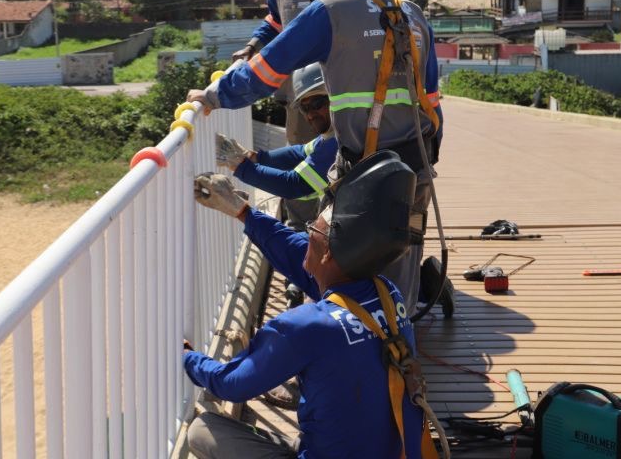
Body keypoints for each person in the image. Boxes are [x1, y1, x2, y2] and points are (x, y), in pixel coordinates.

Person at [188, 0, 444, 316]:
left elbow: (266, 71)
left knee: (342, 274)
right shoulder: (411, 11)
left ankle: (363, 359)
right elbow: (431, 102)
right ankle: (400, 358)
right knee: (400, 275)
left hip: (366, 175)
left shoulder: (332, 10)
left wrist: (214, 95)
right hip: (416, 167)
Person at [185, 151, 437, 459]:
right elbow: (300, 257)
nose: (305, 237)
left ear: (329, 253)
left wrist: (186, 357)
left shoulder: (306, 327)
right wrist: (244, 212)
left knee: (204, 430)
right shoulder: (388, 294)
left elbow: (231, 385)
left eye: (311, 231)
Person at [231, 0, 323, 231]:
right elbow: (274, 21)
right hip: (300, 93)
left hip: (343, 86)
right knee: (301, 159)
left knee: (342, 161)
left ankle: (336, 231)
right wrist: (252, 46)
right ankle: (301, 233)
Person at [215, 63, 336, 204]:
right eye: (305, 108)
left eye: (317, 104)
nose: (310, 115)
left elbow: (293, 185)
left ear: (334, 97)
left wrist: (242, 167)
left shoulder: (338, 142)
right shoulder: (335, 132)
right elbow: (301, 152)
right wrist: (255, 157)